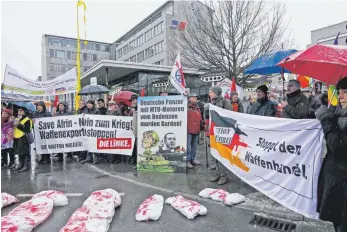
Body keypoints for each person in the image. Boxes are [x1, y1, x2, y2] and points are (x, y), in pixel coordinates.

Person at [315, 76, 347, 232]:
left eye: (345, 92)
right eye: (340, 92)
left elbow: (338, 146)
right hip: (338, 184)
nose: (340, 96)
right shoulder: (342, 115)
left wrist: (327, 118)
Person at [206, 86, 232, 185]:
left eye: (211, 92)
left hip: (222, 132)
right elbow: (209, 117)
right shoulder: (212, 103)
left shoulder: (225, 102)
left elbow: (229, 116)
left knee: (222, 154)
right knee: (214, 153)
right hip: (213, 132)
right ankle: (218, 173)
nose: (209, 93)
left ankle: (224, 175)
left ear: (216, 93)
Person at [80, 100, 100, 164]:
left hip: (94, 130)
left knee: (94, 144)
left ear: (93, 104)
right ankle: (89, 158)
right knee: (88, 144)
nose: (88, 105)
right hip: (88, 130)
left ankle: (96, 158)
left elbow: (99, 119)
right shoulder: (86, 111)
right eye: (87, 104)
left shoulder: (97, 111)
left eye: (89, 104)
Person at [13, 106, 32, 171]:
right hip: (17, 137)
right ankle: (21, 164)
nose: (19, 111)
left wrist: (18, 125)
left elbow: (27, 129)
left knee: (25, 152)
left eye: (21, 110)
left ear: (24, 112)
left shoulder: (27, 119)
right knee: (20, 152)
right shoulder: (17, 118)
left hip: (24, 137)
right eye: (18, 110)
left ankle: (26, 166)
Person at [187, 93, 202, 169]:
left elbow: (200, 117)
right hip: (188, 129)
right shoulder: (186, 106)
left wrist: (202, 124)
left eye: (196, 97)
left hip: (196, 129)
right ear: (189, 98)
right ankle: (187, 161)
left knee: (194, 146)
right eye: (193, 97)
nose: (195, 99)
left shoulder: (197, 107)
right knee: (187, 146)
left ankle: (193, 159)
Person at [130, 94, 138, 167]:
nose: (133, 102)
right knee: (135, 148)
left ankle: (138, 162)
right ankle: (135, 161)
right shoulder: (133, 110)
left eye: (134, 100)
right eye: (132, 101)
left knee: (137, 148)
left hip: (139, 133)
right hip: (135, 133)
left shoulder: (139, 108)